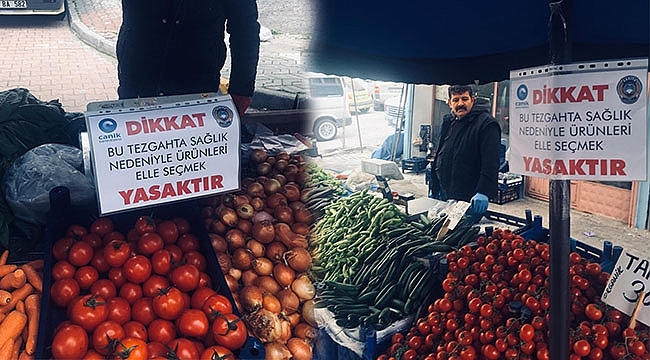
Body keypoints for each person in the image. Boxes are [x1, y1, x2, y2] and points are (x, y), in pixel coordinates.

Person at [115, 1, 260, 116]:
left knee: (193, 149)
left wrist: (241, 89)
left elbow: (245, 28)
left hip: (196, 86)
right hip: (137, 83)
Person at [429, 85, 501, 222]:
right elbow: (440, 152)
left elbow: (491, 162)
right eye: (456, 100)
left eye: (464, 99)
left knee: (461, 236)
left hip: (469, 197)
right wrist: (435, 185)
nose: (460, 104)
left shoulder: (486, 124)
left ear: (472, 100)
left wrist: (483, 191)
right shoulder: (449, 121)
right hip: (446, 192)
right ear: (449, 103)